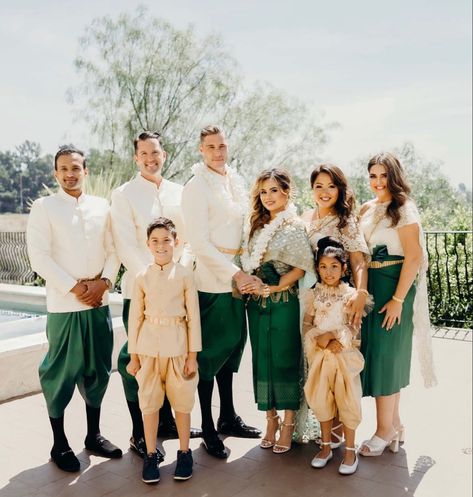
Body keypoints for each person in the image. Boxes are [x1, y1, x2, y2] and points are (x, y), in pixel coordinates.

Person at [26, 145, 122, 472]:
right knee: (59, 373)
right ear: (56, 173)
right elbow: (39, 257)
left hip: (99, 302)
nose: (70, 174)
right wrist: (76, 287)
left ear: (86, 171)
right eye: (64, 168)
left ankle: (93, 436)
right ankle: (59, 443)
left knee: (97, 370)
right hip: (65, 305)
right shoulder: (44, 207)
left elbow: (114, 249)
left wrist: (104, 282)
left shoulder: (102, 207)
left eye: (76, 168)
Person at [111, 131, 199, 460]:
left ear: (165, 154)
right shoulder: (123, 194)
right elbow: (125, 244)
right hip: (141, 290)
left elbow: (187, 239)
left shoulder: (180, 192)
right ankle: (139, 430)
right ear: (136, 157)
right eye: (144, 153)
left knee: (174, 362)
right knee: (139, 362)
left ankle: (167, 423)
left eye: (156, 152)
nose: (151, 158)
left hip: (179, 287)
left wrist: (179, 272)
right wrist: (153, 279)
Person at [181, 125, 261, 459]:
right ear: (201, 150)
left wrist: (249, 271)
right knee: (209, 357)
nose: (217, 152)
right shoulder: (196, 186)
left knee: (232, 351)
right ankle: (209, 428)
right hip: (214, 283)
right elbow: (199, 242)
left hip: (239, 280)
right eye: (210, 146)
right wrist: (235, 273)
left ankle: (228, 417)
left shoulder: (235, 181)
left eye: (222, 145)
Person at [358, 152, 437, 457]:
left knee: (386, 358)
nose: (378, 182)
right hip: (372, 288)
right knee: (379, 357)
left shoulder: (404, 209)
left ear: (394, 176)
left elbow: (414, 257)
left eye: (383, 175)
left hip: (395, 288)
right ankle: (396, 425)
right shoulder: (367, 208)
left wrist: (398, 300)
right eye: (372, 176)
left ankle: (382, 430)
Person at [241, 168, 314, 454]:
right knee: (262, 360)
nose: (268, 196)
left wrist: (274, 287)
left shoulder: (294, 226)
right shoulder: (255, 226)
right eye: (263, 191)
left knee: (285, 360)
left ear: (287, 191)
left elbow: (301, 266)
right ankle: (269, 420)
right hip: (257, 305)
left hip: (283, 301)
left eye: (274, 190)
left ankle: (288, 424)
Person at [296, 163, 369, 446]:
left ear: (340, 189)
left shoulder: (345, 221)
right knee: (316, 363)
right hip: (312, 296)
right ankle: (321, 426)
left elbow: (358, 261)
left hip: (339, 299)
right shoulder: (305, 217)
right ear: (312, 189)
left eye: (331, 186)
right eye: (319, 186)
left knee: (338, 362)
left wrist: (360, 294)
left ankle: (339, 432)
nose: (325, 192)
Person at [126, 218, 201, 483]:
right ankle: (150, 454)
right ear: (147, 245)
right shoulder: (142, 277)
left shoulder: (184, 275)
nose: (161, 246)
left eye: (166, 240)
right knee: (149, 402)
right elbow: (135, 318)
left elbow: (193, 317)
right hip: (148, 349)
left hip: (178, 347)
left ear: (175, 242)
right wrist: (133, 356)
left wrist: (192, 356)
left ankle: (184, 452)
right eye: (155, 241)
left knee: (182, 401)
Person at [303, 237, 371, 475]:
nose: (328, 272)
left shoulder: (351, 295)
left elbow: (354, 327)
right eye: (323, 266)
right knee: (321, 399)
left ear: (344, 268)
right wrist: (316, 337)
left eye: (334, 266)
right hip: (320, 356)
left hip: (343, 355)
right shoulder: (314, 294)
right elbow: (307, 322)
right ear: (317, 268)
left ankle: (350, 451)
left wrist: (335, 337)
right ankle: (325, 447)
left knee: (348, 400)